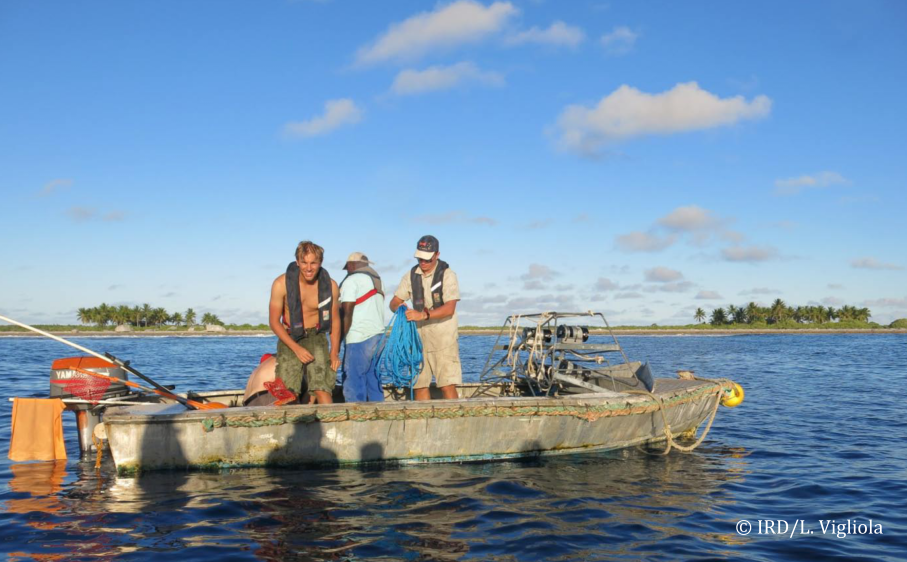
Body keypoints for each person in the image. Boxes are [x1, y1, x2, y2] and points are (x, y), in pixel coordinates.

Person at [389, 235, 461, 401]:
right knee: (419, 385)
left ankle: (454, 422)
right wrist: (398, 307)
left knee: (447, 384)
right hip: (418, 340)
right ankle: (423, 422)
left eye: (427, 259)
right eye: (420, 258)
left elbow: (450, 308)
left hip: (444, 340)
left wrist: (422, 315)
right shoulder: (410, 275)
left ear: (436, 255)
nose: (423, 262)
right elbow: (394, 302)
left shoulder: (448, 275)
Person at [268, 241, 341, 405]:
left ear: (320, 263)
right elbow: (274, 322)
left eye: (313, 263)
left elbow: (335, 321)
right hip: (290, 338)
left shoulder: (331, 286)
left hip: (316, 337)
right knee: (287, 392)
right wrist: (296, 348)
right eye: (304, 262)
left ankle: (330, 426)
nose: (309, 268)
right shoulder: (281, 284)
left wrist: (334, 352)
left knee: (322, 387)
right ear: (297, 262)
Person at [339, 252, 386, 403]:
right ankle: (377, 419)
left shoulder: (351, 281)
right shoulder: (378, 281)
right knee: (373, 380)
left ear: (351, 265)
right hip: (378, 337)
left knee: (353, 382)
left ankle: (355, 420)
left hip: (358, 337)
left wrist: (338, 341)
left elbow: (347, 312)